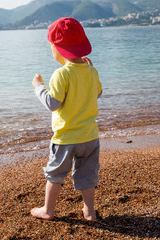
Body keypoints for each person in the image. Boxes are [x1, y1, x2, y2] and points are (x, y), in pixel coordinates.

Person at [31, 17, 102, 221]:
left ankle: (48, 210)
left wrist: (38, 87)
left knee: (55, 174)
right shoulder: (92, 70)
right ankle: (89, 211)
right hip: (89, 136)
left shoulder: (61, 74)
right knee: (87, 175)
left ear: (57, 48)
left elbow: (53, 104)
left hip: (65, 138)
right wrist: (89, 72)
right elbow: (96, 94)